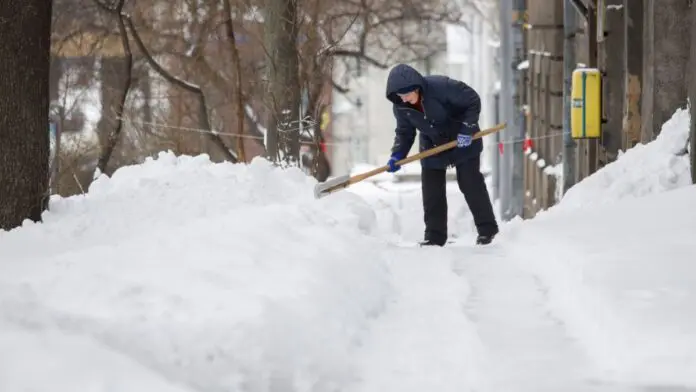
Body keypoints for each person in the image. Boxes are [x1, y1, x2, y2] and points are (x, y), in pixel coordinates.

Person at [384, 63, 499, 246]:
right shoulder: (401, 107)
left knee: (470, 183)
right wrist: (397, 154)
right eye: (400, 96)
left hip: (462, 139)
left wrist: (467, 129)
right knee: (431, 191)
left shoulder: (441, 87)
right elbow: (405, 132)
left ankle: (488, 231)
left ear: (416, 88)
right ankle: (434, 237)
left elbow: (472, 100)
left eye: (407, 95)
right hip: (432, 144)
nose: (404, 100)